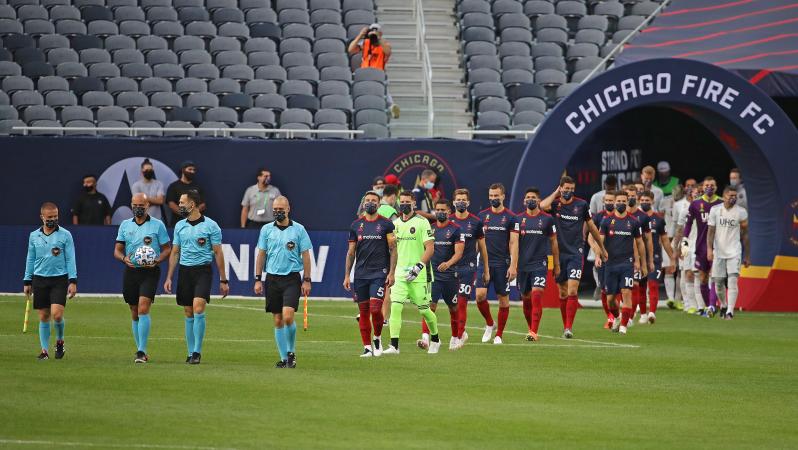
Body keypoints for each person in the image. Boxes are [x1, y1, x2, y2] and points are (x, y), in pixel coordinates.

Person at [163, 190, 229, 365]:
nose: (179, 206)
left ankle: (197, 352)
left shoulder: (211, 226)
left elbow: (218, 253)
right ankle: (190, 351)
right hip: (185, 271)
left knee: (198, 307)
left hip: (203, 271)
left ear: (192, 205)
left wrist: (223, 280)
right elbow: (175, 252)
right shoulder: (179, 226)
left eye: (182, 202)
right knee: (188, 311)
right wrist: (169, 277)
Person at [541, 176, 606, 339]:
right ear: (561, 188)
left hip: (575, 253)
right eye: (565, 189)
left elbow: (591, 227)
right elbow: (543, 205)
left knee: (571, 290)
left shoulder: (581, 205)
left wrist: (601, 248)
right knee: (562, 292)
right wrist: (556, 193)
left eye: (571, 189)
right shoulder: (555, 205)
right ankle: (565, 325)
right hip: (556, 255)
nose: (568, 192)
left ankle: (569, 327)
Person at [254, 196, 313, 368]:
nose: (278, 212)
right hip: (272, 278)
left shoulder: (299, 230)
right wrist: (258, 279)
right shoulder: (266, 230)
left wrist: (307, 279)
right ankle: (283, 358)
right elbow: (261, 254)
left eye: (281, 209)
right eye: (275, 209)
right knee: (278, 319)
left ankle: (291, 352)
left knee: (288, 316)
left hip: (292, 278)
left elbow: (306, 255)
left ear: (288, 209)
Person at [113, 193, 171, 363]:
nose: (138, 208)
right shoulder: (124, 225)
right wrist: (124, 259)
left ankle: (141, 351)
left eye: (142, 205)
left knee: (143, 308)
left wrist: (157, 260)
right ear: (131, 205)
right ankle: (140, 349)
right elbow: (116, 250)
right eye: (135, 205)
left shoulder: (157, 225)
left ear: (148, 206)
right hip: (131, 271)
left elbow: (167, 249)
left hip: (150, 272)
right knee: (134, 310)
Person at [382, 191, 439, 355]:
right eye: (402, 201)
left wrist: (419, 266)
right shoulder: (396, 224)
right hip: (400, 273)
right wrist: (392, 273)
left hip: (419, 274)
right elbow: (394, 250)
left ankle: (435, 339)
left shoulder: (422, 222)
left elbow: (430, 248)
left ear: (414, 203)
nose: (405, 204)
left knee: (424, 310)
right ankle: (394, 346)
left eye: (408, 202)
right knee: (396, 307)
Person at [343, 191, 396, 357]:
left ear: (379, 204)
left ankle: (377, 337)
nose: (370, 203)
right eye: (368, 200)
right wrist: (346, 275)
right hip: (360, 274)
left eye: (374, 200)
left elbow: (393, 250)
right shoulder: (355, 225)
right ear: (363, 203)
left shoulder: (387, 224)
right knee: (364, 311)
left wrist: (391, 272)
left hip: (379, 273)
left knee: (375, 309)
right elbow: (351, 252)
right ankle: (367, 347)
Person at [23, 202, 77, 360]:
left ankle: (60, 341)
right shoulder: (34, 236)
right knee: (44, 317)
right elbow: (30, 258)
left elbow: (71, 258)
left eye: (55, 216)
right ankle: (44, 351)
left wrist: (73, 281)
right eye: (50, 217)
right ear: (42, 217)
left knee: (57, 315)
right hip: (39, 280)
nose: (53, 219)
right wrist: (27, 280)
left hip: (59, 280)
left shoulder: (65, 235)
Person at [475, 183, 519, 344]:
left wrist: (513, 265)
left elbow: (514, 243)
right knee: (479, 296)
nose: (493, 198)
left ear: (503, 196)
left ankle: (499, 334)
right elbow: (477, 241)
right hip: (484, 263)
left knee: (503, 300)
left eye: (496, 195)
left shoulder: (511, 217)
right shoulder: (481, 216)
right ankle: (489, 323)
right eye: (491, 195)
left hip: (502, 263)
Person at [418, 199, 464, 350]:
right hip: (433, 276)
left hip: (450, 275)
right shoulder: (430, 229)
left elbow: (459, 253)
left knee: (453, 308)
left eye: (443, 210)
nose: (440, 212)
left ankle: (455, 337)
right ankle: (425, 337)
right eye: (437, 210)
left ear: (449, 212)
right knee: (429, 306)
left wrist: (448, 263)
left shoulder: (456, 230)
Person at [673, 176, 722, 316]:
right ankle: (703, 306)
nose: (709, 188)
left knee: (715, 276)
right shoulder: (694, 205)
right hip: (699, 246)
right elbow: (685, 227)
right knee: (701, 276)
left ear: (716, 186)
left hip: (718, 246)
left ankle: (712, 306)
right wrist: (684, 246)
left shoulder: (721, 204)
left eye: (711, 185)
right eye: (706, 185)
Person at [517, 188, 559, 341]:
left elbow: (554, 242)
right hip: (522, 266)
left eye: (533, 197)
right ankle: (530, 328)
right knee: (526, 298)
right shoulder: (518, 220)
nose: (530, 200)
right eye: (528, 197)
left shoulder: (547, 219)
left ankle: (534, 331)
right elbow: (513, 244)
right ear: (524, 201)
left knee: (536, 295)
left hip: (540, 264)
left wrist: (556, 264)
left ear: (539, 200)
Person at [599, 191, 644, 335]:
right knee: (610, 299)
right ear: (614, 202)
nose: (621, 204)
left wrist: (640, 262)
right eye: (618, 201)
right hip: (610, 264)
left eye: (624, 201)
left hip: (627, 264)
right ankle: (617, 317)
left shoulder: (634, 221)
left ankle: (624, 326)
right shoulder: (606, 221)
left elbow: (639, 243)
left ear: (627, 202)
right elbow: (600, 240)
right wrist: (599, 255)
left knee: (626, 293)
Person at [450, 188, 489, 347]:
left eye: (463, 200)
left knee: (462, 301)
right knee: (452, 303)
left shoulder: (476, 222)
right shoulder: (448, 221)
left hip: (468, 267)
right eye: (458, 199)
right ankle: (460, 332)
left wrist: (485, 269)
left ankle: (459, 336)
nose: (461, 202)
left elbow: (482, 247)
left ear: (468, 202)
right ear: (453, 202)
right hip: (451, 268)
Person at [707, 186, 750, 319]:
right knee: (718, 282)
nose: (733, 198)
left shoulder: (741, 212)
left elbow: (745, 235)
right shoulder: (715, 210)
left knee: (732, 280)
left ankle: (730, 311)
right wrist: (709, 249)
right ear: (724, 196)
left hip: (734, 251)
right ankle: (724, 305)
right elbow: (711, 232)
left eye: (735, 196)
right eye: (730, 196)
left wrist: (747, 255)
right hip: (719, 251)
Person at [347, 23, 399, 118]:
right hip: (364, 74)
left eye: (376, 31)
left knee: (384, 90)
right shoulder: (365, 43)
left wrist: (378, 38)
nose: (373, 33)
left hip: (378, 75)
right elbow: (350, 50)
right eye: (372, 31)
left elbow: (387, 51)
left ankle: (392, 108)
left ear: (381, 33)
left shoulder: (385, 44)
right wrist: (360, 35)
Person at [639, 191, 675, 324]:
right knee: (641, 287)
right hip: (640, 258)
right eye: (642, 200)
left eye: (647, 200)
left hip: (655, 258)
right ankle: (643, 314)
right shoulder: (635, 218)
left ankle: (652, 313)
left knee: (653, 285)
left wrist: (672, 258)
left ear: (652, 201)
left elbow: (665, 240)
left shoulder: (658, 219)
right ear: (639, 201)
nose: (644, 202)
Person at [588, 191, 616, 329]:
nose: (609, 203)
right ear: (603, 201)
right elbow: (590, 237)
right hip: (605, 260)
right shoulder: (599, 217)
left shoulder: (624, 217)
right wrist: (597, 253)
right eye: (607, 200)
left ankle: (624, 315)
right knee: (605, 289)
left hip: (621, 258)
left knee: (621, 289)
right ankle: (610, 317)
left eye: (612, 200)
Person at [626, 184, 653, 323]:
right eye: (628, 196)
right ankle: (622, 315)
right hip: (619, 256)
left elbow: (648, 240)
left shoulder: (642, 217)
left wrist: (649, 261)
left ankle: (630, 317)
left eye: (633, 196)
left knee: (635, 285)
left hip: (636, 257)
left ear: (637, 197)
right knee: (622, 289)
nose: (630, 198)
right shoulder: (617, 215)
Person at [673, 184, 701, 313]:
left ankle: (701, 303)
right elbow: (679, 230)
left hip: (702, 244)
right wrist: (677, 248)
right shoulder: (685, 211)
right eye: (696, 193)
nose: (697, 195)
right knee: (686, 272)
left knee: (700, 274)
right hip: (687, 244)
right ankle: (689, 304)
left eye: (700, 193)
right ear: (691, 194)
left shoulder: (709, 210)